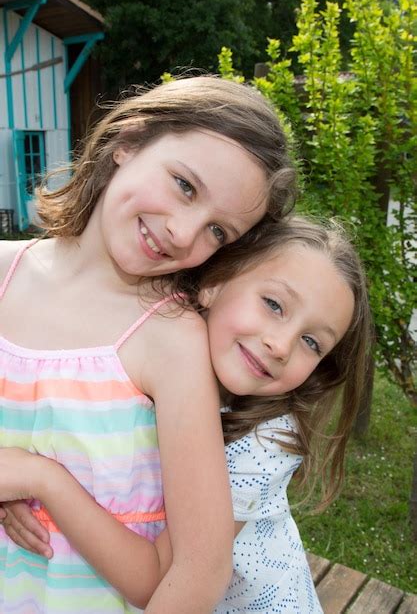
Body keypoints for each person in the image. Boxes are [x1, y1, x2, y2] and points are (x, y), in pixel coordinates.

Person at [0, 75, 297, 614]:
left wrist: (37, 477)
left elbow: (200, 571)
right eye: (185, 186)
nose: (184, 234)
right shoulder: (3, 272)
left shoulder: (171, 338)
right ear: (129, 141)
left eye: (217, 232)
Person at [0, 216, 372, 613]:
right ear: (215, 283)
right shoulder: (152, 357)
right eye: (273, 304)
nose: (281, 346)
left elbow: (162, 577)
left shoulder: (264, 444)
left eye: (311, 342)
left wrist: (43, 480)